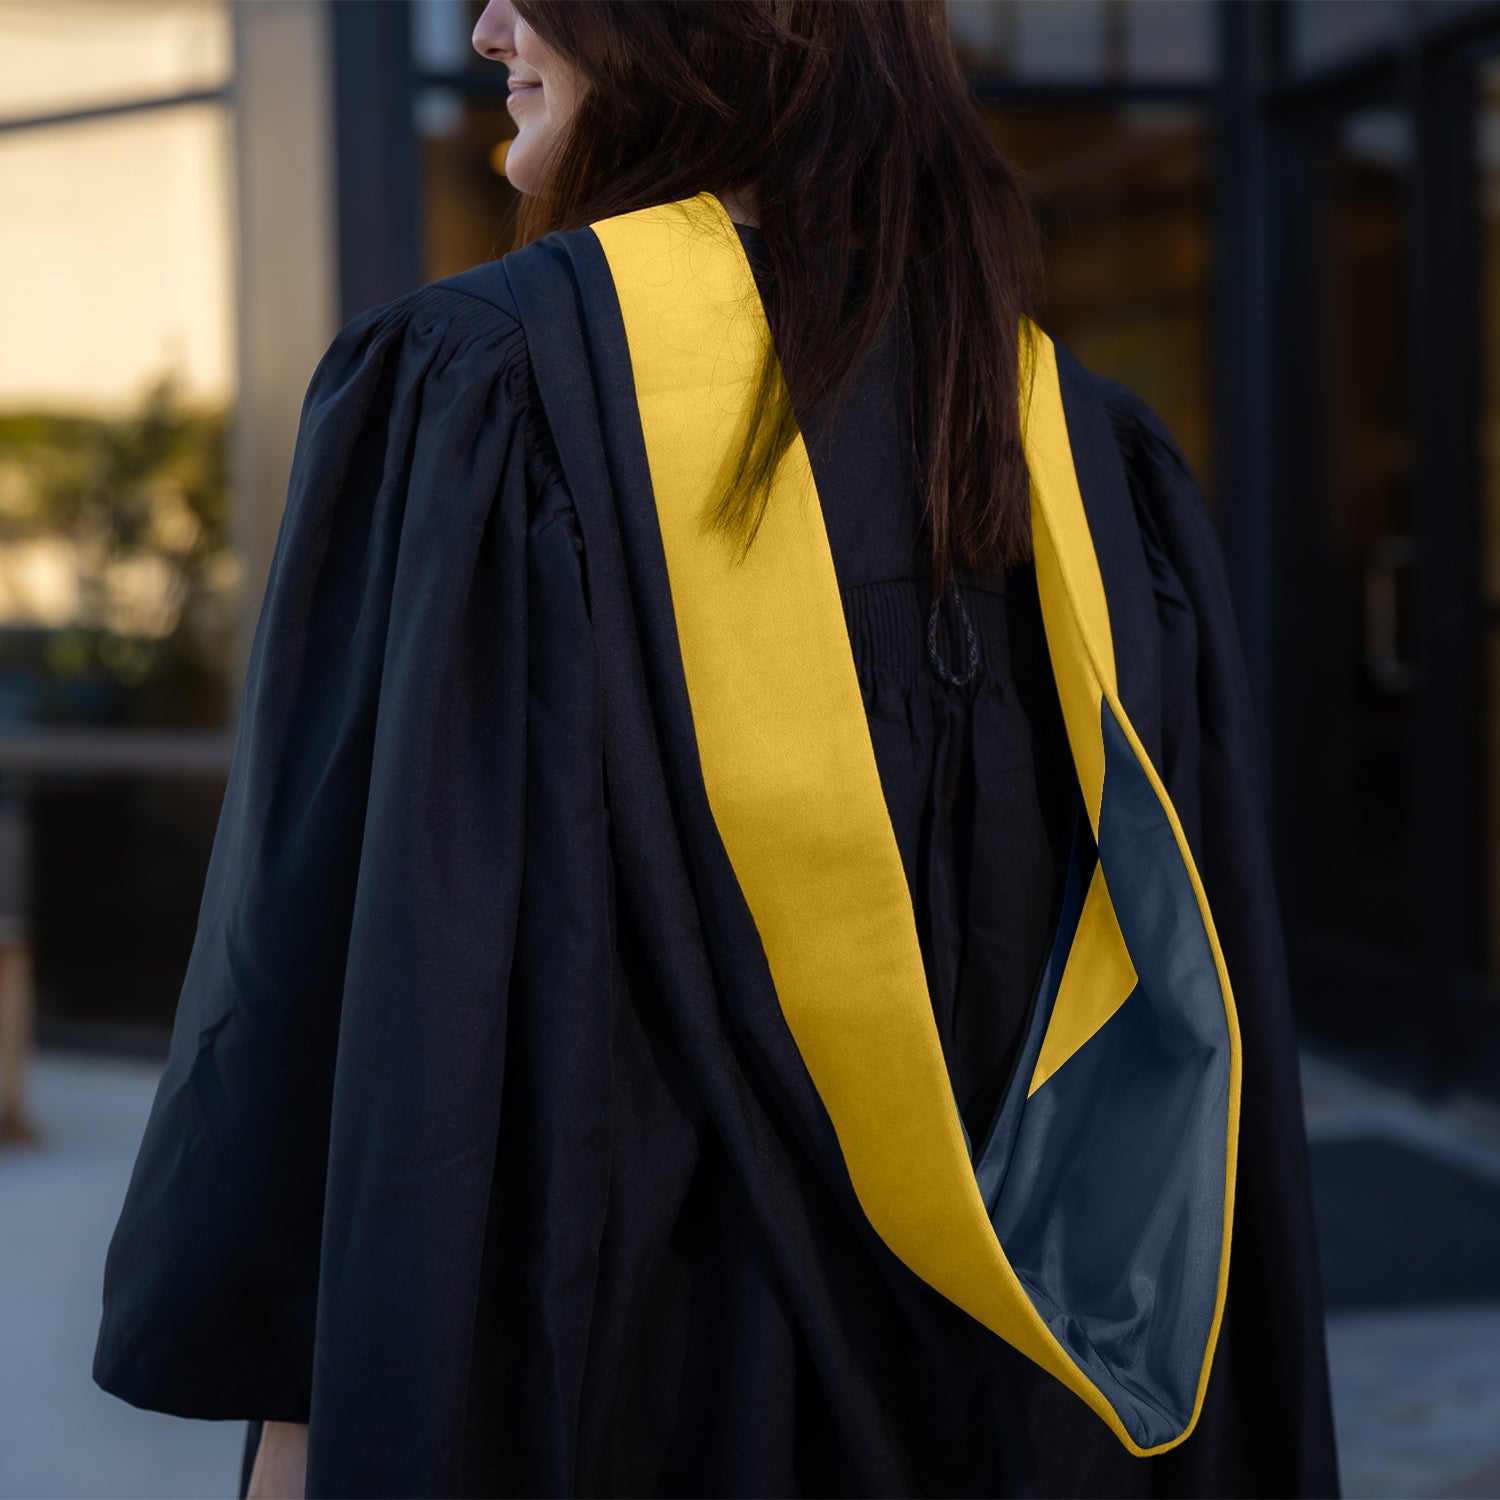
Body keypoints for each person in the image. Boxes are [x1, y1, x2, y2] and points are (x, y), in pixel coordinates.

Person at [92, 3, 1340, 1497]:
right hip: (1024, 1418)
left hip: (619, 1396)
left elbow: (327, 1011)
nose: (489, 24)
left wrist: (296, 1441)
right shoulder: (1082, 456)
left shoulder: (482, 396)